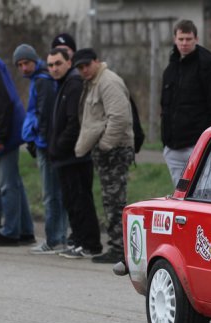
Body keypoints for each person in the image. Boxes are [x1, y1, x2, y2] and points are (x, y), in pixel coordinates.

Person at [73, 48, 133, 263]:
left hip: (115, 150)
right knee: (110, 200)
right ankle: (117, 246)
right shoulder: (94, 82)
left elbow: (119, 117)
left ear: (96, 61)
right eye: (80, 67)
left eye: (87, 65)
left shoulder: (108, 82)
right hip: (108, 150)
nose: (84, 70)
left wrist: (105, 145)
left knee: (115, 201)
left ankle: (120, 249)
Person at [47, 47, 102, 259]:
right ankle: (79, 241)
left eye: (58, 63)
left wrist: (58, 147)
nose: (54, 68)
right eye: (50, 65)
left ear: (68, 63)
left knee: (80, 201)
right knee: (72, 202)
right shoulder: (63, 85)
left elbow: (74, 123)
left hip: (75, 157)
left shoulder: (73, 85)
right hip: (64, 158)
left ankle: (89, 244)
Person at [161, 19, 211, 186]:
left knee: (206, 191)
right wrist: (165, 140)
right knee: (180, 195)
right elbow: (165, 106)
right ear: (175, 39)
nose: (184, 43)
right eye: (181, 39)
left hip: (200, 144)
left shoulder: (208, 67)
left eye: (188, 39)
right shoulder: (171, 69)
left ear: (196, 39)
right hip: (173, 147)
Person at [14, 43, 67, 254]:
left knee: (51, 194)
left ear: (35, 60)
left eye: (26, 63)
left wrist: (40, 142)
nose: (24, 68)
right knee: (55, 193)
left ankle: (53, 240)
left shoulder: (42, 81)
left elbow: (45, 114)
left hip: (46, 146)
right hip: (46, 143)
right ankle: (59, 237)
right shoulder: (39, 79)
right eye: (20, 65)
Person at [0, 53, 34, 246]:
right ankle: (25, 231)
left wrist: (0, 136)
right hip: (3, 129)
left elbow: (1, 100)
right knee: (13, 181)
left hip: (5, 131)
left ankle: (10, 232)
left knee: (7, 183)